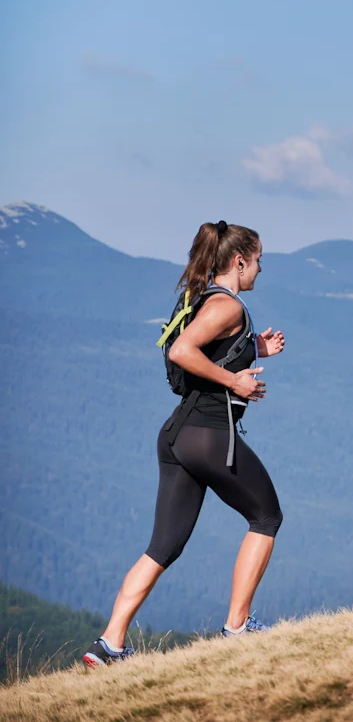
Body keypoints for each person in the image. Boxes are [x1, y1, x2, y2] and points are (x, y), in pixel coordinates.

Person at [83, 220, 286, 668]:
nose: (260, 269)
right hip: (208, 435)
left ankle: (109, 644)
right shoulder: (227, 305)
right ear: (239, 262)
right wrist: (235, 381)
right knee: (267, 516)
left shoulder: (204, 298)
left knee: (164, 546)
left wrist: (255, 349)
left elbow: (209, 351)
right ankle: (237, 627)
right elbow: (182, 351)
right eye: (258, 261)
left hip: (178, 436)